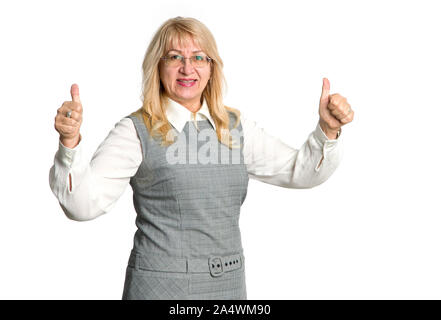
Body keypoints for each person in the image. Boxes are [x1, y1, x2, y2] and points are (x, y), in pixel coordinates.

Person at [49, 16, 354, 300]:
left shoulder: (235, 126)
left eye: (198, 57)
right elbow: (82, 206)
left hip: (229, 288)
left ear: (211, 68)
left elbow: (299, 172)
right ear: (158, 66)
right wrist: (70, 143)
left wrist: (327, 130)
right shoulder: (135, 130)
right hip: (160, 288)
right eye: (174, 57)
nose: (187, 68)